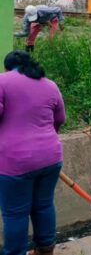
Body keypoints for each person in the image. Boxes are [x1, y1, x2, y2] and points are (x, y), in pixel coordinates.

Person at [0, 50, 66, 255]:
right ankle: (45, 249)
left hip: (15, 161)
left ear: (8, 67)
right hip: (51, 158)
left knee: (16, 213)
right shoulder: (50, 84)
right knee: (44, 205)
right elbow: (60, 119)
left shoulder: (2, 81)